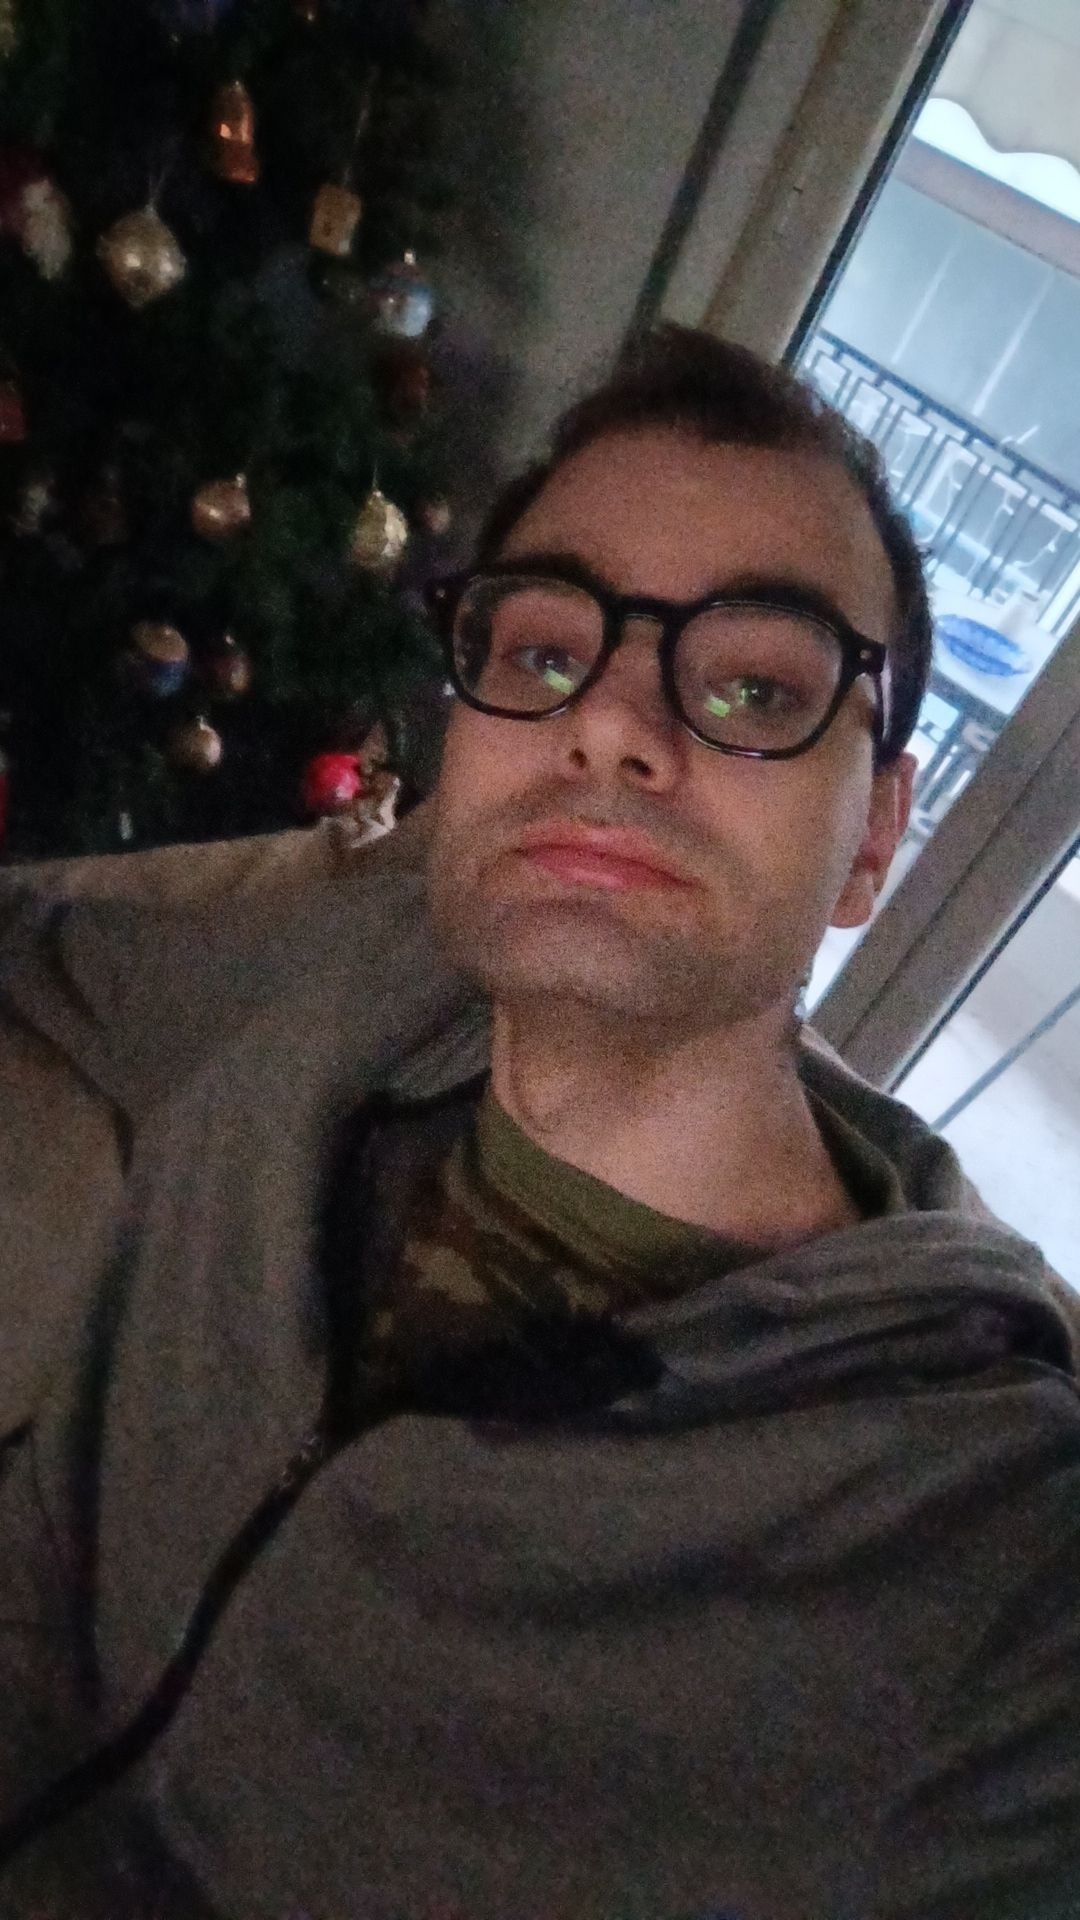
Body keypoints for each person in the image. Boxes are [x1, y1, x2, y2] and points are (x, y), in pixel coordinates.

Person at [1, 325, 1079, 1920]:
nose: (610, 724)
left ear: (874, 842)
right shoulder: (332, 980)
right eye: (543, 652)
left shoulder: (981, 1552)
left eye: (757, 685)